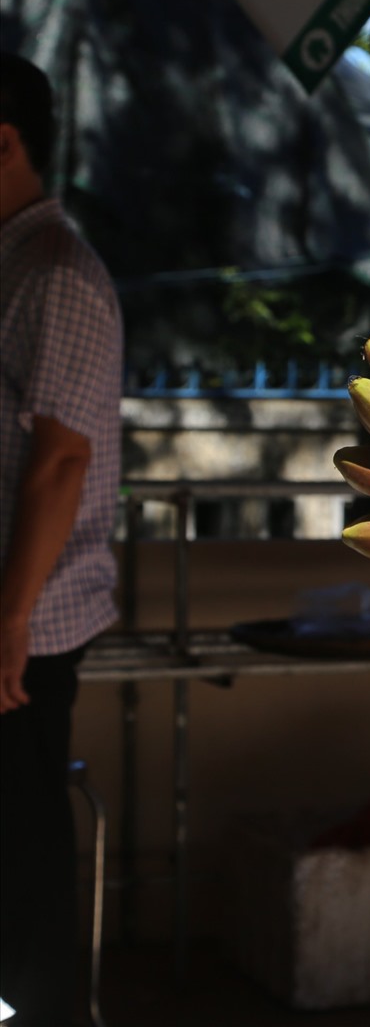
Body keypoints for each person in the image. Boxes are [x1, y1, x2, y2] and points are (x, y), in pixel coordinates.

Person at [0, 52, 123, 1026]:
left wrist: (8, 618)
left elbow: (60, 460)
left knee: (24, 870)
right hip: (14, 620)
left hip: (25, 631)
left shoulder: (54, 272)